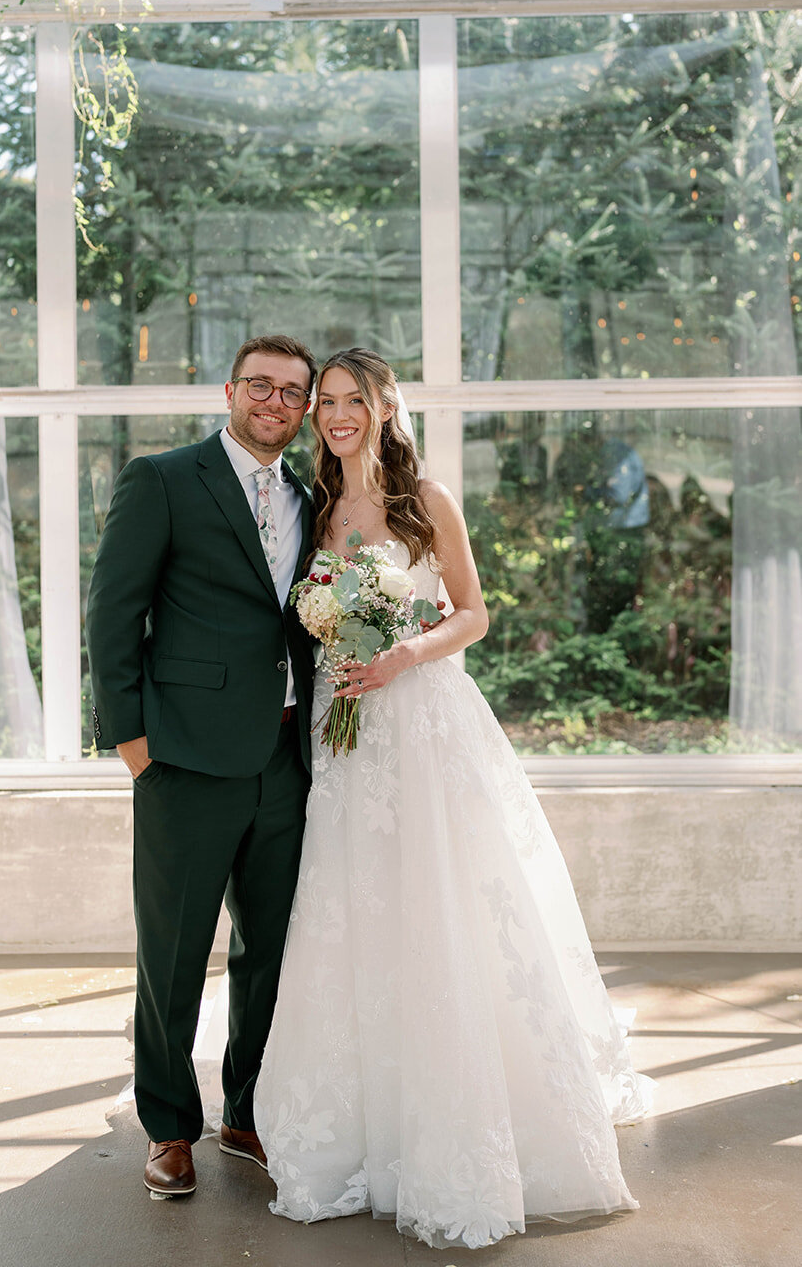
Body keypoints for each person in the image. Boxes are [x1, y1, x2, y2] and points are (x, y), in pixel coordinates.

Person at [254, 348, 648, 1252]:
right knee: (355, 911)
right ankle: (362, 1123)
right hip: (340, 731)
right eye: (326, 402)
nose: (335, 415)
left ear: (387, 407)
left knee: (442, 907)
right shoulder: (313, 508)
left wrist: (403, 655)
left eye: (354, 400)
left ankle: (462, 1120)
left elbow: (472, 612)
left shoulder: (425, 502)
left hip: (420, 720)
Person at [87, 334, 318, 1201]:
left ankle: (246, 1110)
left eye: (292, 393)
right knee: (174, 953)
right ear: (229, 390)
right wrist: (131, 744)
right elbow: (114, 613)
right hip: (182, 757)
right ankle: (168, 1127)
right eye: (260, 386)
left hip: (287, 759)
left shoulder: (309, 493)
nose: (276, 403)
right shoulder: (163, 479)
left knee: (269, 950)